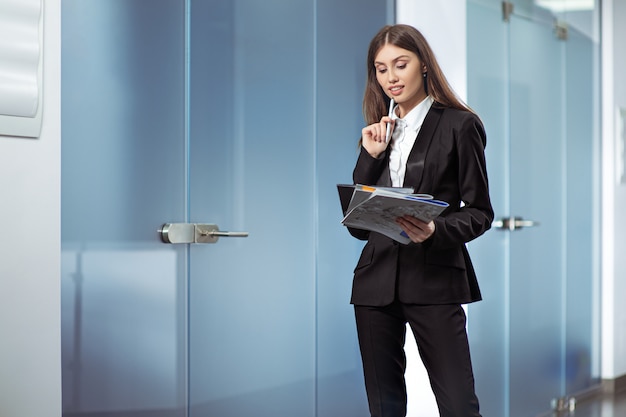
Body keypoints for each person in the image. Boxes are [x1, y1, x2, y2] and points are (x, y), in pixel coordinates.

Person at [347, 24, 494, 417]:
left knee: (459, 405)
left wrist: (435, 230)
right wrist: (370, 155)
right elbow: (359, 227)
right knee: (385, 407)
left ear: (423, 64)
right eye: (381, 69)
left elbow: (480, 212)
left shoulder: (459, 125)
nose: (391, 78)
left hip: (435, 280)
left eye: (400, 64)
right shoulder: (376, 132)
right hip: (375, 285)